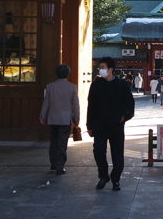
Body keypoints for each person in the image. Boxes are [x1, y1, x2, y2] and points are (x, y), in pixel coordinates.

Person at [86, 56, 134, 191]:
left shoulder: (121, 84)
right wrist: (89, 125)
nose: (100, 70)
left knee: (117, 153)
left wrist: (125, 116)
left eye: (102, 68)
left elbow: (130, 103)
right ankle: (103, 175)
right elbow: (91, 106)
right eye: (99, 68)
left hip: (116, 124)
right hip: (100, 123)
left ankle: (116, 179)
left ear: (110, 69)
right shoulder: (96, 85)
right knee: (99, 150)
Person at [39, 63, 80, 175]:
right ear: (68, 74)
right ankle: (59, 166)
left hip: (53, 118)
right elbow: (75, 104)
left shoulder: (50, 86)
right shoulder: (72, 87)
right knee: (62, 142)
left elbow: (46, 103)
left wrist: (43, 117)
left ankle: (53, 163)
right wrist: (76, 118)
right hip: (65, 119)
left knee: (54, 141)